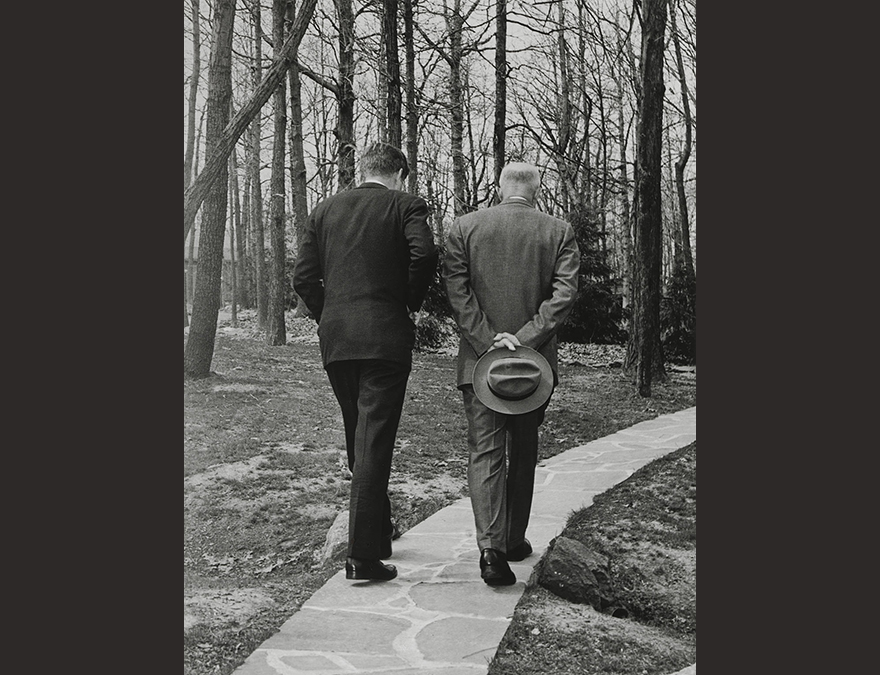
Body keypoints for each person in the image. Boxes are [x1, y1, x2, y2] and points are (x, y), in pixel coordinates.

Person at [293, 142, 438, 582]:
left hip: (336, 341)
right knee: (373, 440)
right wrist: (405, 303)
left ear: (364, 170)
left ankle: (378, 532)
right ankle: (362, 557)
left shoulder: (324, 210)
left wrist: (329, 313)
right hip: (384, 338)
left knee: (361, 434)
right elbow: (425, 255)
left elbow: (302, 277)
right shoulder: (406, 205)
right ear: (398, 173)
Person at [442, 161, 580, 586]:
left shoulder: (464, 228)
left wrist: (489, 342)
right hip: (533, 366)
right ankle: (514, 538)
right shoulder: (558, 231)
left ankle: (491, 550)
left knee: (484, 451)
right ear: (536, 190)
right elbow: (564, 294)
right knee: (522, 450)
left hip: (479, 365)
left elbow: (457, 292)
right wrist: (523, 340)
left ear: (500, 187)